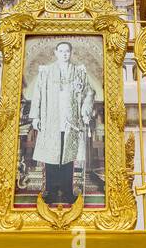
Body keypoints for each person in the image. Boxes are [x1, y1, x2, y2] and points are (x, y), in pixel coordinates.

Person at [28, 41, 99, 204]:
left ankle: (67, 190)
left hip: (71, 120)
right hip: (50, 118)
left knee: (68, 155)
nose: (64, 54)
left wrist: (85, 111)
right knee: (52, 155)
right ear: (56, 52)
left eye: (67, 51)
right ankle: (51, 190)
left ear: (71, 52)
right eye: (61, 51)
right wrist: (36, 117)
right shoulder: (45, 72)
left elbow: (89, 92)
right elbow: (37, 94)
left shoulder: (79, 72)